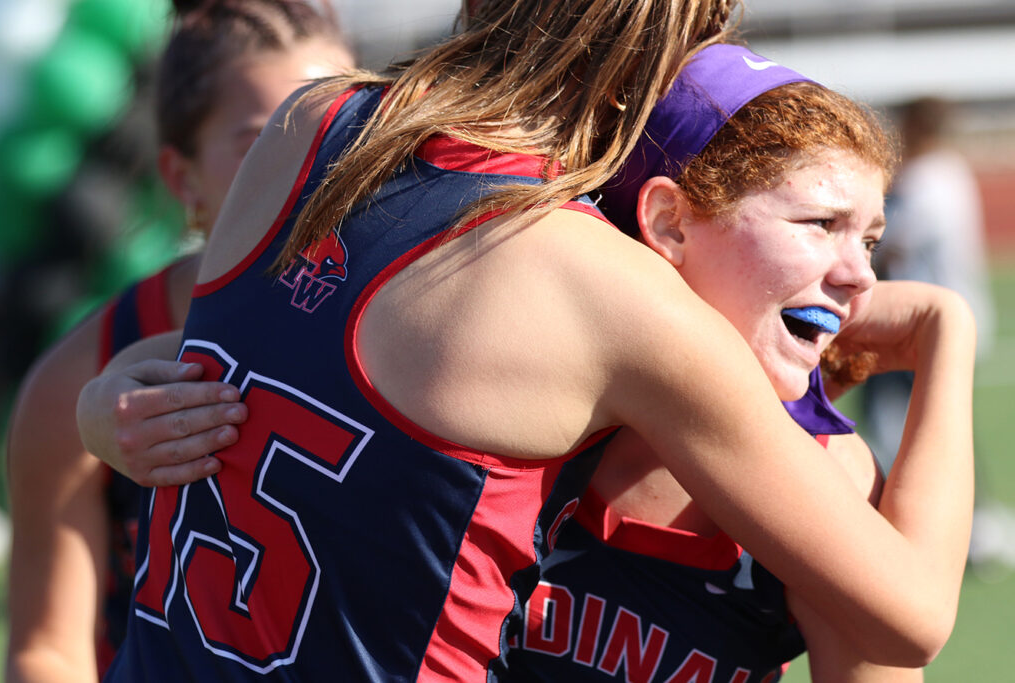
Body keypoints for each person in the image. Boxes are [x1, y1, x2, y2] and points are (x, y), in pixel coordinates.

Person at [74, 0, 976, 679]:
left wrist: (105, 400)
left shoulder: (312, 124)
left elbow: (233, 358)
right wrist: (946, 335)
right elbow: (911, 615)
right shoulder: (606, 290)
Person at [505, 43, 922, 682]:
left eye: (870, 240)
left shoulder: (828, 472)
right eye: (819, 222)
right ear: (669, 222)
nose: (861, 275)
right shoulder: (511, 409)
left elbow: (907, 639)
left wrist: (943, 341)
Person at [5, 1, 353, 680]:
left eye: (343, 133)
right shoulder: (75, 379)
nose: (317, 167)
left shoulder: (409, 332)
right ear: (180, 178)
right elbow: (47, 650)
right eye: (263, 140)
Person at [862, 95, 996, 471]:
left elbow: (886, 245)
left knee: (907, 431)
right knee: (937, 428)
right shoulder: (950, 170)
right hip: (948, 315)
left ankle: (961, 522)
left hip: (919, 322)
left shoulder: (925, 183)